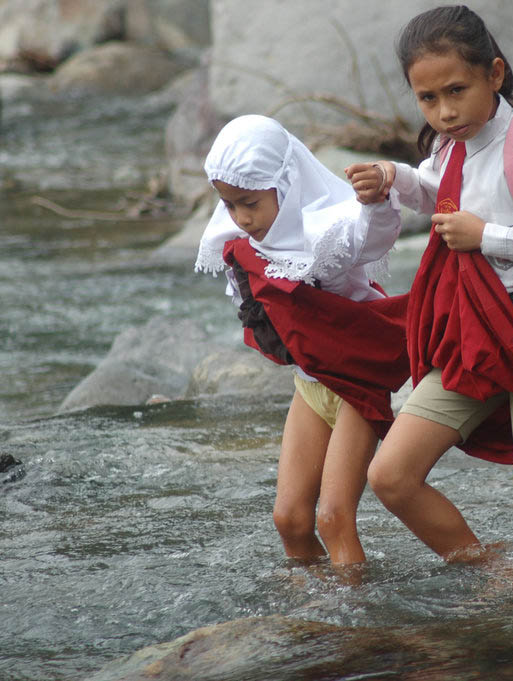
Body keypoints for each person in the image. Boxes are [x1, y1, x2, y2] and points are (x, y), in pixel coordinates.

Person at [344, 5, 513, 577]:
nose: (445, 111)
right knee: (392, 476)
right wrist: (395, 178)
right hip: (474, 336)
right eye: (428, 99)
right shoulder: (448, 145)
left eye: (456, 90)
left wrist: (489, 237)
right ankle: (493, 574)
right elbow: (438, 191)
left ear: (495, 72)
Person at [196, 114, 408, 567]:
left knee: (333, 517)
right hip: (311, 385)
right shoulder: (243, 241)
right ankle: (308, 612)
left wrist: (376, 204)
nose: (241, 217)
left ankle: (353, 623)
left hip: (355, 382)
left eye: (249, 202)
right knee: (290, 519)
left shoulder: (326, 230)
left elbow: (368, 236)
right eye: (229, 205)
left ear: (286, 183)